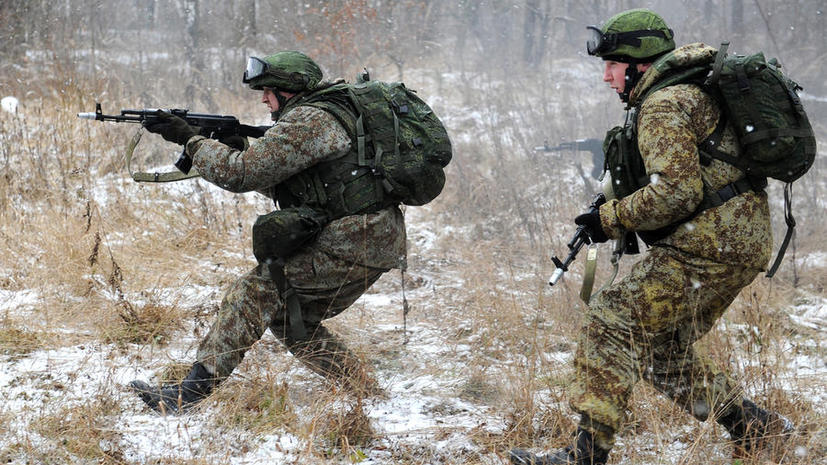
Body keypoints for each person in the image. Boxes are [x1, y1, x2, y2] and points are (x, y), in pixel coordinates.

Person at [511, 9, 793, 465]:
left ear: (639, 64)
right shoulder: (689, 90)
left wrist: (611, 220)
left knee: (610, 321)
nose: (606, 77)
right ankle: (756, 427)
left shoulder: (663, 104)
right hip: (735, 241)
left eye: (612, 65)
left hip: (708, 246)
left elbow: (676, 193)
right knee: (656, 346)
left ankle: (585, 456)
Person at [130, 51, 406, 413]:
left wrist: (192, 141)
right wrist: (238, 147)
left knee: (256, 290)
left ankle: (187, 396)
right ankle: (363, 392)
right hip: (371, 239)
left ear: (288, 91)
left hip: (356, 241)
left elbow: (240, 175)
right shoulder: (324, 113)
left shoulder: (311, 121)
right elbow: (293, 184)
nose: (263, 99)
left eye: (268, 91)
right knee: (291, 317)